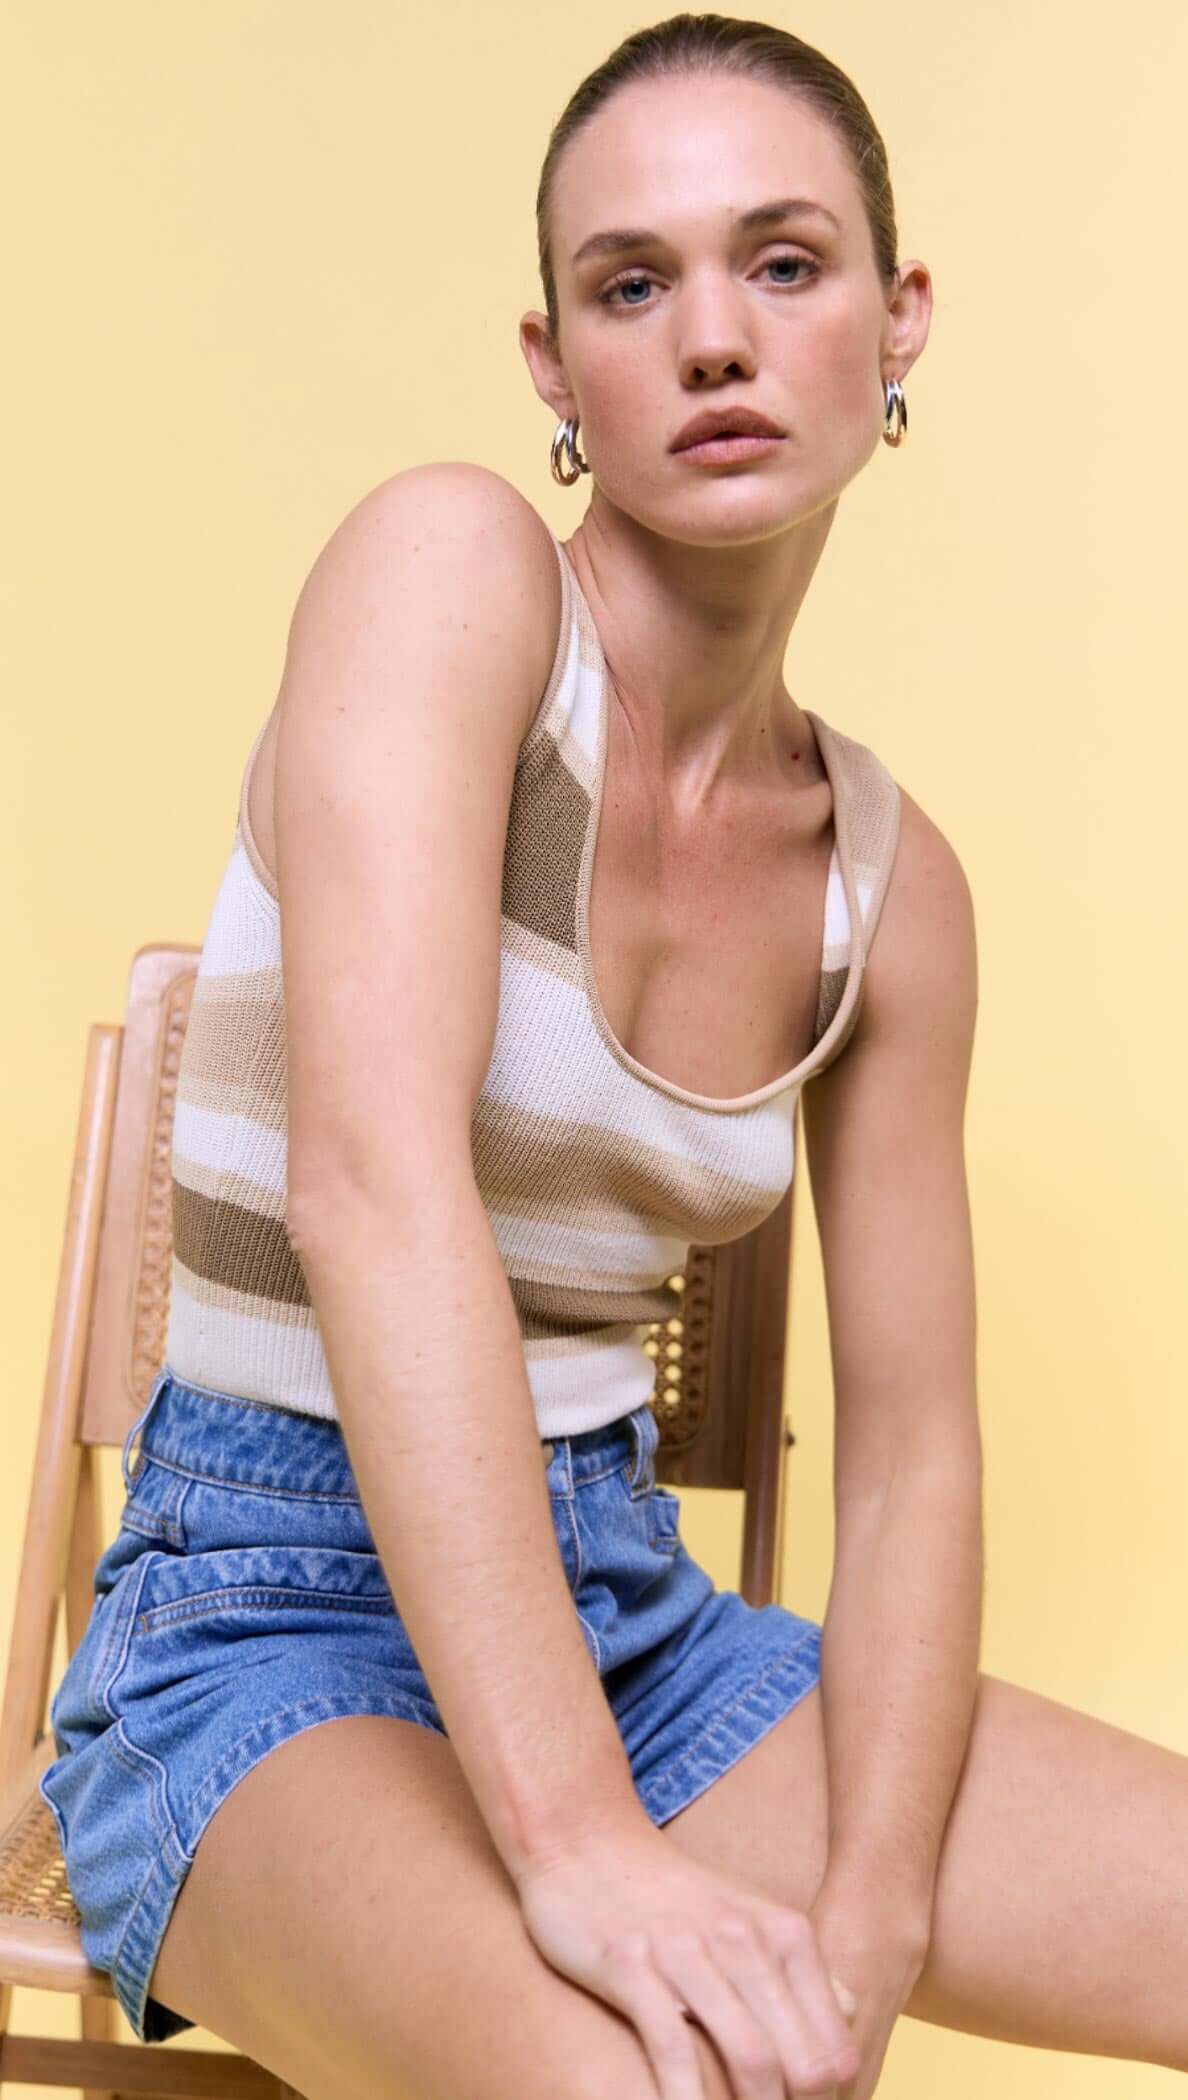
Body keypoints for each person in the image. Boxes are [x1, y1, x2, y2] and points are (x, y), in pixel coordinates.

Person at [39, 13, 1187, 2100]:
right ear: (557, 370)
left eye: (785, 261)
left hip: (634, 1628)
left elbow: (917, 1447)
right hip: (260, 1624)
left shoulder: (889, 895)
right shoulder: (446, 574)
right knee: (644, 2092)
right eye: (633, 285)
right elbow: (372, 1189)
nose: (716, 340)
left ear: (898, 318)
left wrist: (873, 1923)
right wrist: (579, 1848)